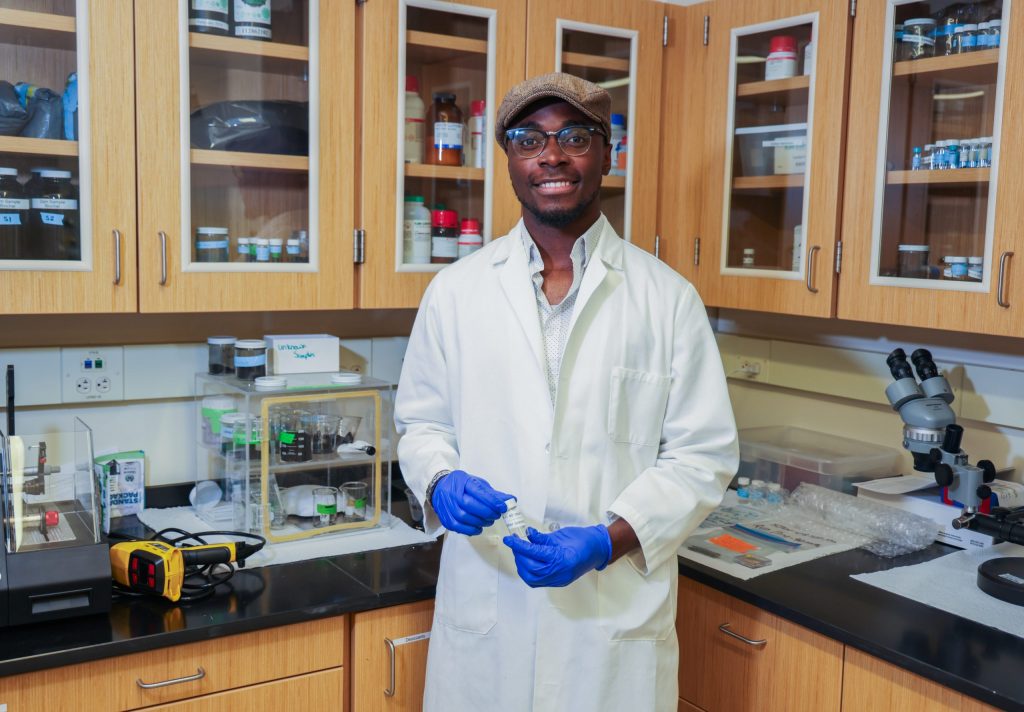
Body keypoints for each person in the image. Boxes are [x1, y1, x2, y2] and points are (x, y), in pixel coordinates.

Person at [395, 72, 738, 712]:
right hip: (489, 618)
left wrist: (607, 539)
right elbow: (421, 426)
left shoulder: (666, 300)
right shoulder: (457, 292)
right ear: (510, 161)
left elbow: (702, 457)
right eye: (529, 140)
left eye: (573, 137)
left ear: (607, 153)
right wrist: (441, 481)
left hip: (608, 636)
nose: (551, 156)